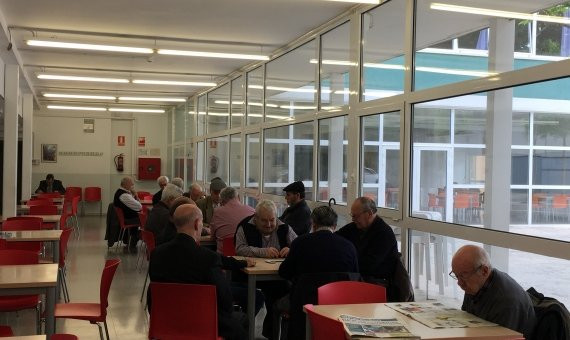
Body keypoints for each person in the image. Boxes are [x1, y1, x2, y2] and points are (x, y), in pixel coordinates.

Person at [149, 204, 247, 340]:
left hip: (166, 323)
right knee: (239, 325)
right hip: (203, 324)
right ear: (197, 224)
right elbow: (225, 299)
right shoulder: (208, 258)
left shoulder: (156, 254)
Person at [279, 205, 359, 339]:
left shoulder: (300, 243)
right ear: (334, 225)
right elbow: (355, 277)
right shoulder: (348, 246)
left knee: (278, 301)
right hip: (339, 307)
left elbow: (284, 272)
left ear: (313, 224)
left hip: (304, 305)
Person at [235, 199, 297, 339]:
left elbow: (299, 245)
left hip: (277, 276)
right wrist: (263, 251)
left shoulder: (284, 227)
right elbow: (239, 249)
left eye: (272, 220)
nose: (269, 225)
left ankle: (275, 334)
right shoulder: (244, 226)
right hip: (249, 276)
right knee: (257, 296)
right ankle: (251, 333)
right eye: (264, 221)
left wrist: (291, 249)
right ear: (255, 218)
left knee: (285, 293)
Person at [451, 245, 536, 338]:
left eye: (463, 276)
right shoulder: (476, 284)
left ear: (484, 271)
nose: (459, 283)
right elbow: (466, 320)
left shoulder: (506, 302)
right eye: (456, 275)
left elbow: (503, 338)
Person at [336, 196, 398, 283]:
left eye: (355, 216)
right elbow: (335, 239)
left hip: (378, 282)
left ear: (369, 213)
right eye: (352, 215)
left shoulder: (384, 233)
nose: (353, 219)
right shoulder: (356, 226)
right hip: (359, 275)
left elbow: (369, 266)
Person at [210, 187, 255, 254]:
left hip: (225, 257)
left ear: (222, 200)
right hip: (248, 255)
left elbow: (212, 238)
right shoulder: (252, 210)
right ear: (238, 197)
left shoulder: (218, 212)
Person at [113, 177, 142, 252]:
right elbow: (139, 206)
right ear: (125, 184)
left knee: (143, 218)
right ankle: (135, 240)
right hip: (128, 219)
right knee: (146, 219)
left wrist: (134, 195)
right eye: (131, 183)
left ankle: (133, 239)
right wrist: (136, 196)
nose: (133, 184)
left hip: (127, 217)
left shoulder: (124, 193)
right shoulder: (124, 195)